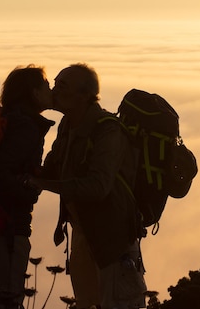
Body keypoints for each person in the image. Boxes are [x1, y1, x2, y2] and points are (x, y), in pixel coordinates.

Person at [29, 63, 146, 309]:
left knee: (118, 304)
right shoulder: (67, 125)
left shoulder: (108, 130)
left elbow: (98, 186)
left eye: (62, 86)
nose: (54, 90)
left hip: (113, 240)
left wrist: (43, 184)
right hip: (85, 235)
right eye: (55, 84)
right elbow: (52, 168)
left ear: (84, 96)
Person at [0, 65, 54, 309]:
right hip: (4, 227)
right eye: (46, 85)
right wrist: (30, 191)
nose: (51, 89)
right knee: (6, 300)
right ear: (34, 93)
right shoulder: (25, 126)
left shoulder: (8, 119)